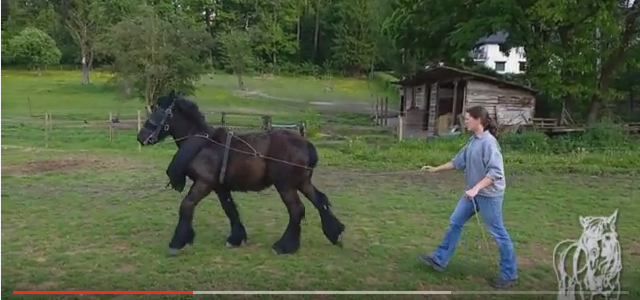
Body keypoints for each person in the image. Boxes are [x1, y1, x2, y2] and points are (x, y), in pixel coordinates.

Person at [418, 105, 518, 289]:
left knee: (499, 233)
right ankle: (439, 259)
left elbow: (495, 173)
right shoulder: (473, 140)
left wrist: (476, 189)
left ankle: (509, 275)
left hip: (489, 195)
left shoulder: (489, 143)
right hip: (473, 193)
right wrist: (435, 169)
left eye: (467, 118)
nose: (465, 121)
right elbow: (457, 162)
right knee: (455, 221)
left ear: (478, 120)